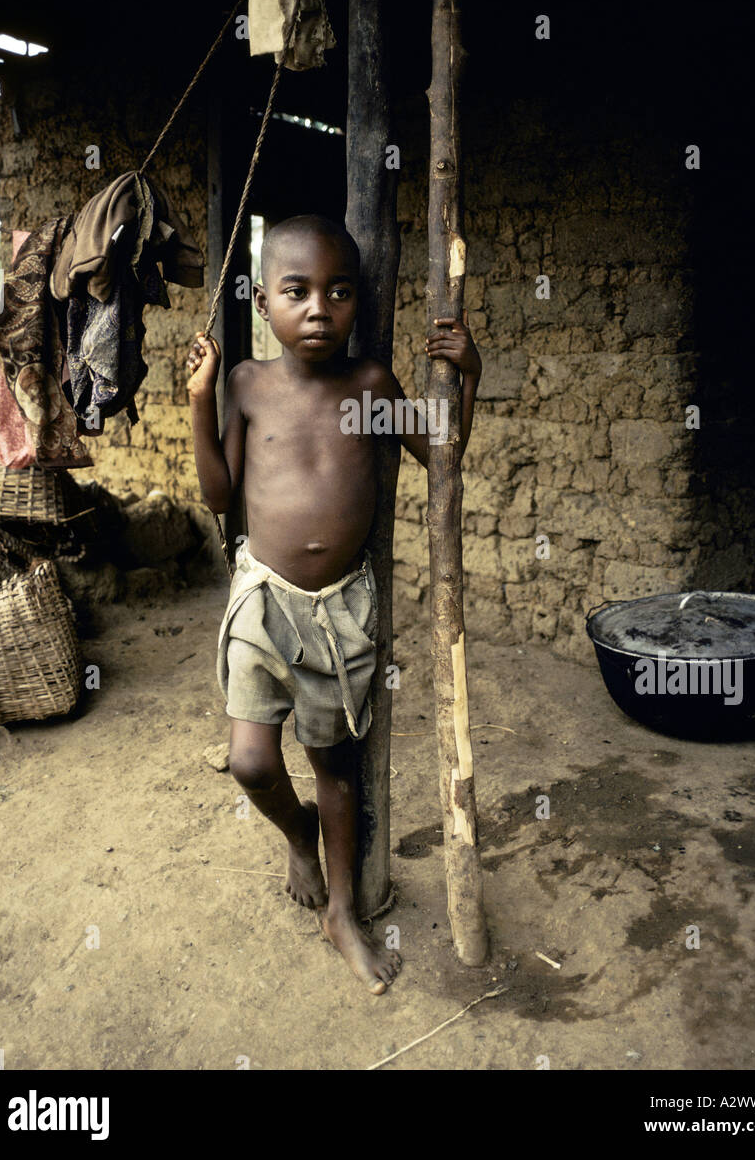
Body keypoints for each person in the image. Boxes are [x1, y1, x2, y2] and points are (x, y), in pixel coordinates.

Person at [186, 214, 481, 993]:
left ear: (355, 302)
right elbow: (219, 497)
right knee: (250, 761)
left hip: (341, 609)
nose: (318, 308)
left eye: (338, 292)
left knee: (334, 765)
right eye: (297, 291)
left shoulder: (368, 385)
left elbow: (440, 454)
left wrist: (469, 375)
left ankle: (343, 911)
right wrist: (198, 397)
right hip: (263, 600)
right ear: (261, 300)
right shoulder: (248, 384)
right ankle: (296, 834)